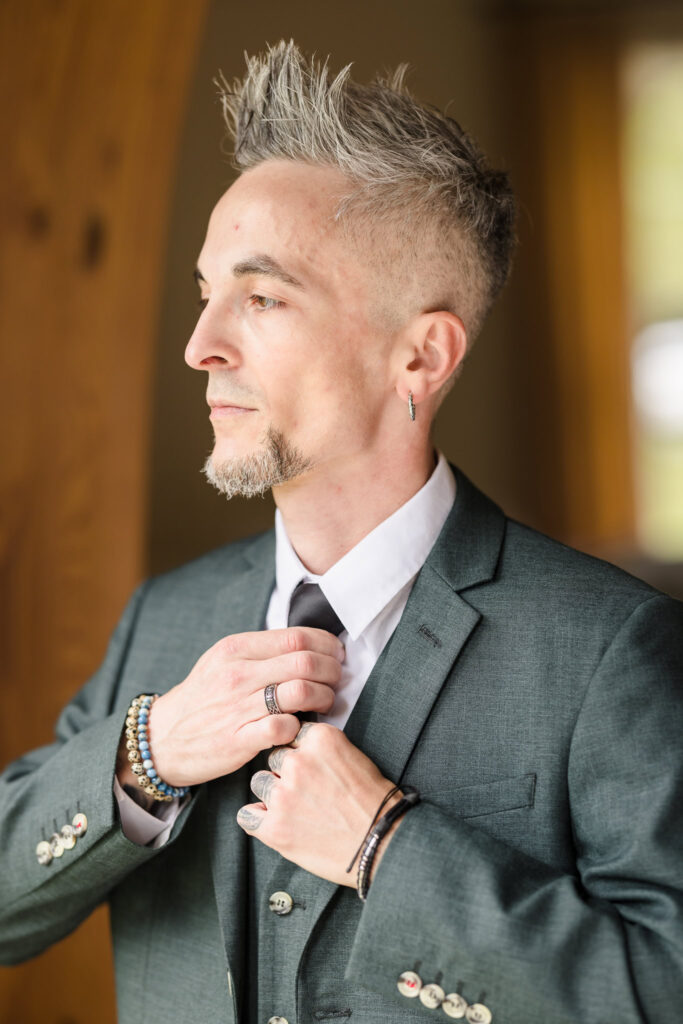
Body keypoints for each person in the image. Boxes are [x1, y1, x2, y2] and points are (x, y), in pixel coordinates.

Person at [1, 39, 682, 1024]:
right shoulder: (167, 619)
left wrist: (388, 850)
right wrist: (143, 753)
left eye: (262, 297)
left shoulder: (606, 648)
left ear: (420, 356)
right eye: (205, 293)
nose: (201, 346)